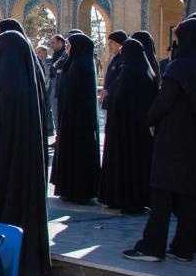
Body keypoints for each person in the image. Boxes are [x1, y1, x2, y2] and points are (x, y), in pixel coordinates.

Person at [124, 18, 196, 262]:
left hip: (173, 138)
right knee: (188, 196)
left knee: (162, 194)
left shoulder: (180, 67)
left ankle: (152, 247)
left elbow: (164, 100)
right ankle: (184, 247)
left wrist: (149, 120)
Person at [0, 30, 52, 276]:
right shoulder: (25, 81)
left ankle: (5, 264)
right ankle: (26, 263)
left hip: (2, 162)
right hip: (21, 163)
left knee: (5, 212)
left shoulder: (6, 82)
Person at [99, 39, 158, 214]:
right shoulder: (147, 73)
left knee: (127, 168)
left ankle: (128, 200)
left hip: (125, 132)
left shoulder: (129, 74)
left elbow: (120, 99)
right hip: (139, 133)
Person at [51, 33, 100, 204]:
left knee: (78, 158)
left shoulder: (81, 67)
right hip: (70, 119)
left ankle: (78, 191)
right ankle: (69, 188)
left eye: (70, 46)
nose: (68, 49)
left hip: (79, 122)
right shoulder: (75, 63)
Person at [100, 30, 128, 109]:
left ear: (120, 44)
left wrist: (108, 91)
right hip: (109, 102)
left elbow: (121, 80)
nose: (108, 45)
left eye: (112, 42)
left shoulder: (123, 60)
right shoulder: (114, 59)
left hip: (118, 103)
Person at [47, 34, 67, 129]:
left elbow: (58, 69)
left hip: (60, 88)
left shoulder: (65, 54)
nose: (51, 45)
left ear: (60, 43)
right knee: (55, 113)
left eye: (53, 43)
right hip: (53, 87)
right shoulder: (56, 55)